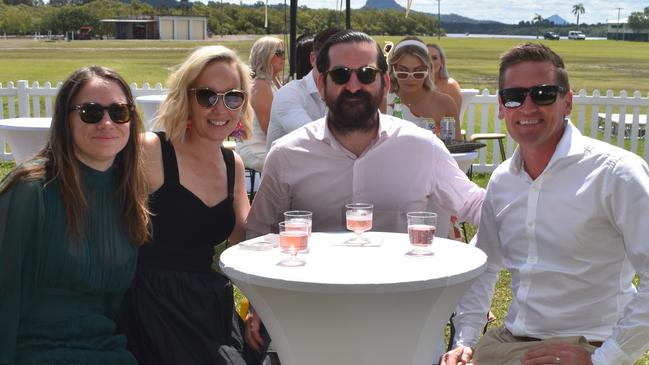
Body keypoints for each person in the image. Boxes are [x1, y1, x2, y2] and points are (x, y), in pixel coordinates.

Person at [442, 43, 649, 365]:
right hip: (508, 340)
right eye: (514, 96)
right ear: (501, 106)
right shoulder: (503, 181)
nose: (527, 107)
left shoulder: (616, 174)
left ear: (567, 102)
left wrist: (605, 359)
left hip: (586, 344)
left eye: (542, 94)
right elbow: (485, 265)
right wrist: (466, 339)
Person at [0, 66, 149, 364]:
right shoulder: (31, 191)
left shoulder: (128, 191)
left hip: (109, 350)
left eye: (119, 112)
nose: (107, 122)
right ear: (65, 120)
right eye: (91, 112)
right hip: (35, 350)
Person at [117, 45, 256, 365]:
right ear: (186, 97)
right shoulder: (151, 150)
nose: (221, 109)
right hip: (151, 304)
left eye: (233, 97)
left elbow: (244, 240)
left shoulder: (231, 162)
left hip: (209, 303)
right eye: (207, 96)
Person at [265, 27, 340, 150]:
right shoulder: (289, 94)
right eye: (332, 60)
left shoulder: (349, 92)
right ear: (313, 59)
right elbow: (316, 141)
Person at [385, 37, 461, 141]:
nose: (410, 78)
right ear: (393, 70)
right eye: (403, 72)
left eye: (418, 72)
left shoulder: (445, 103)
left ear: (428, 69)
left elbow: (456, 148)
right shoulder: (382, 101)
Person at [236, 36, 285, 172]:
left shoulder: (273, 81)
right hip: (256, 148)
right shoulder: (260, 84)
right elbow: (268, 126)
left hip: (269, 145)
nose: (283, 57)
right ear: (266, 56)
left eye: (284, 53)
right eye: (279, 53)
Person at [427, 43, 463, 113]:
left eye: (434, 58)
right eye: (426, 58)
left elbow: (453, 120)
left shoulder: (450, 85)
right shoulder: (415, 84)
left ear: (442, 62)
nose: (430, 62)